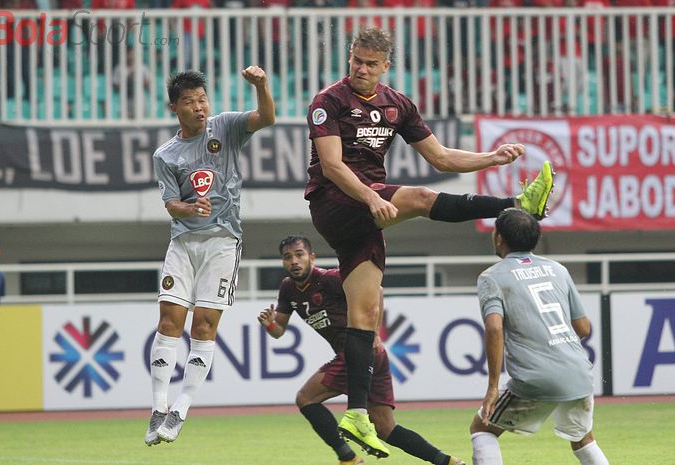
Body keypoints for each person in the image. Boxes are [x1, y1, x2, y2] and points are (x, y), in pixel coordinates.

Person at [305, 26, 554, 457]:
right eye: (355, 60)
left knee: (366, 313)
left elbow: (440, 158)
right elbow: (331, 166)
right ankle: (517, 203)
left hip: (369, 215)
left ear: (386, 66)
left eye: (369, 64)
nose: (360, 69)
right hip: (336, 201)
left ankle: (357, 416)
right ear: (350, 58)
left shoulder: (397, 104)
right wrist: (368, 196)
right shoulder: (328, 102)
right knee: (420, 198)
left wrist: (490, 158)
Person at [144, 68, 275, 446]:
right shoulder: (166, 155)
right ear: (175, 108)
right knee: (169, 321)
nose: (199, 107)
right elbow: (170, 203)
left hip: (222, 242)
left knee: (203, 326)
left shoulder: (226, 128)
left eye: (203, 99)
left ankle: (181, 408)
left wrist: (261, 86)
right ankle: (158, 408)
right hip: (183, 243)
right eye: (190, 101)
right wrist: (188, 208)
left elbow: (266, 118)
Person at [258, 235, 465, 465]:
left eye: (299, 254)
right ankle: (447, 461)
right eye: (288, 257)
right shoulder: (288, 289)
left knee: (306, 398)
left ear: (312, 257)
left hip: (355, 352)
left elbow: (376, 290)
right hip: (366, 355)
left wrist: (374, 333)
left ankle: (348, 458)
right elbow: (279, 331)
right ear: (283, 262)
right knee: (386, 428)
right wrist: (269, 325)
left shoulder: (330, 279)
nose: (294, 261)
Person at [470, 208, 610, 465]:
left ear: (498, 237)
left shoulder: (491, 277)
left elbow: (494, 328)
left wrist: (492, 387)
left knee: (482, 429)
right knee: (583, 439)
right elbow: (584, 329)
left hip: (534, 378)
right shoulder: (558, 269)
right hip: (578, 373)